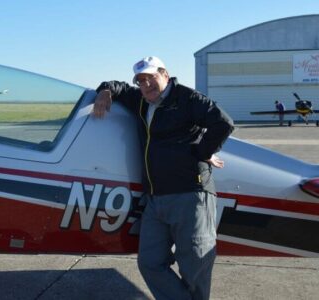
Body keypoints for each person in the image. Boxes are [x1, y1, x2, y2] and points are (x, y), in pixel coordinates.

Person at [93, 56, 234, 300]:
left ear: (165, 75)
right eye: (140, 80)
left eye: (151, 78)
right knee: (149, 262)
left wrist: (202, 152)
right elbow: (118, 86)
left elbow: (223, 123)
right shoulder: (140, 100)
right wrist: (105, 91)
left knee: (194, 267)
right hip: (156, 198)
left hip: (190, 194)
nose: (145, 84)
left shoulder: (187, 98)